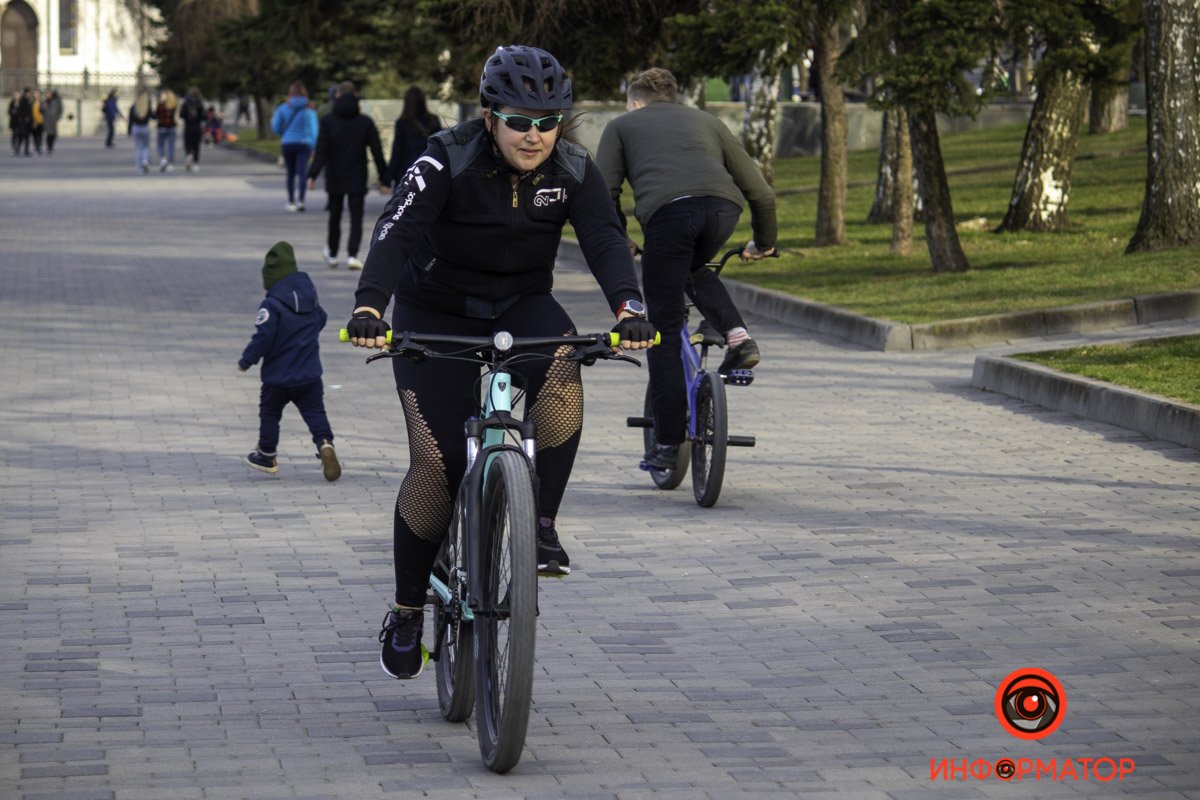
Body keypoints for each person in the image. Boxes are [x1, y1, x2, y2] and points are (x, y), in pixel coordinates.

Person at [344, 44, 655, 680]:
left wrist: (629, 308)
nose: (534, 136)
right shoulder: (445, 157)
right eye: (519, 121)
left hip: (521, 304)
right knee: (438, 463)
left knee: (562, 365)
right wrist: (370, 307)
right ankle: (408, 608)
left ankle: (540, 524)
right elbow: (396, 231)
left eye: (548, 122)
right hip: (436, 310)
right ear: (490, 117)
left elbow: (603, 236)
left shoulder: (571, 166)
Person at [595, 67, 777, 471]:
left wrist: (620, 238)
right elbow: (761, 191)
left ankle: (667, 442)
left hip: (669, 217)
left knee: (660, 329)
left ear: (635, 101)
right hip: (723, 210)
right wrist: (764, 242)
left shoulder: (621, 126)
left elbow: (604, 193)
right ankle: (738, 337)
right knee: (692, 267)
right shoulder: (708, 121)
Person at [238, 241, 341, 482]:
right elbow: (322, 318)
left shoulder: (271, 305)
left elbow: (262, 338)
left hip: (278, 377)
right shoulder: (310, 299)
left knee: (270, 413)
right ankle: (325, 443)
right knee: (314, 411)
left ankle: (266, 455)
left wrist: (246, 360)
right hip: (309, 375)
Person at [306, 81, 387, 270]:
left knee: (335, 215)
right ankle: (352, 255)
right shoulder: (365, 122)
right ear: (356, 96)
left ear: (337, 96)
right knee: (356, 216)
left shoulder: (327, 121)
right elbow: (377, 151)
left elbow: (321, 151)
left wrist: (312, 175)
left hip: (335, 175)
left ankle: (333, 254)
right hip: (357, 174)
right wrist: (384, 176)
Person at [271, 81, 319, 212]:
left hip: (287, 143)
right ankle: (301, 201)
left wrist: (284, 134)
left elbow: (275, 127)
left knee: (290, 173)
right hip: (304, 143)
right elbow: (314, 130)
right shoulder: (309, 109)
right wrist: (313, 145)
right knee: (302, 172)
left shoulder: (283, 107)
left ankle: (291, 201)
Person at [383, 86, 443, 187]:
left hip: (407, 174)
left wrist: (387, 178)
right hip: (431, 173)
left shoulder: (403, 123)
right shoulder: (433, 121)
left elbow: (397, 153)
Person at [180, 87, 206, 171]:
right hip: (197, 127)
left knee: (188, 143)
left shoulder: (186, 103)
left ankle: (189, 154)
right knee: (196, 145)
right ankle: (196, 163)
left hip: (188, 126)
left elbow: (182, 115)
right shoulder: (200, 103)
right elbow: (203, 116)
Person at [128, 90, 153, 173]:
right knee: (145, 146)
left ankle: (139, 168)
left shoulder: (134, 107)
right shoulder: (147, 107)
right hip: (145, 127)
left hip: (136, 128)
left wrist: (129, 131)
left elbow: (130, 120)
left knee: (138, 148)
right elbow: (153, 116)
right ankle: (145, 160)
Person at [155, 88, 179, 172]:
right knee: (171, 146)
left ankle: (163, 158)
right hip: (171, 127)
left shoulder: (161, 105)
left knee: (160, 145)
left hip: (162, 127)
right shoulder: (173, 105)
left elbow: (156, 115)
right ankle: (171, 163)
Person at [42, 89, 63, 155]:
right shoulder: (44, 102)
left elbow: (60, 109)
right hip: (46, 120)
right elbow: (40, 110)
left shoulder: (55, 102)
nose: (47, 95)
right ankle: (49, 148)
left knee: (53, 135)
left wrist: (58, 117)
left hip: (53, 120)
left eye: (49, 94)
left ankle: (51, 147)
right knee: (48, 134)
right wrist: (42, 108)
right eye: (46, 94)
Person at [29, 89, 44, 155]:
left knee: (40, 135)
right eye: (35, 94)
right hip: (34, 122)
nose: (36, 95)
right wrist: (33, 121)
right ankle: (35, 148)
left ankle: (39, 147)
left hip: (41, 121)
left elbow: (43, 112)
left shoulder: (42, 102)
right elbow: (31, 113)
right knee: (34, 136)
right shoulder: (32, 102)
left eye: (37, 94)